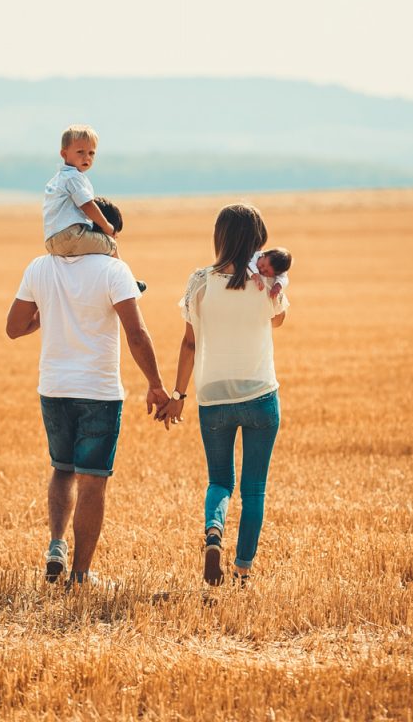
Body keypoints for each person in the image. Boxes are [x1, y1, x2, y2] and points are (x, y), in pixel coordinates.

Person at [6, 197, 169, 588]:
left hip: (54, 387)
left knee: (62, 470)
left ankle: (56, 546)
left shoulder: (39, 267)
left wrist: (51, 312)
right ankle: (80, 575)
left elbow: (14, 327)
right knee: (92, 481)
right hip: (98, 390)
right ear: (103, 230)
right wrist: (156, 385)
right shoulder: (115, 270)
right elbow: (137, 334)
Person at [157, 203, 288, 587]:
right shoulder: (265, 282)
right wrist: (271, 275)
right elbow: (279, 319)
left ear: (220, 238)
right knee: (254, 490)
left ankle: (214, 531)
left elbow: (188, 345)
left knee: (219, 482)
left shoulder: (199, 282)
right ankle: (243, 570)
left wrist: (178, 394)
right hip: (261, 393)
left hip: (213, 397)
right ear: (256, 240)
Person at [43, 124, 119, 258]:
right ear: (64, 154)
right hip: (71, 237)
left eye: (91, 153)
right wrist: (107, 226)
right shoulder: (73, 177)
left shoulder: (58, 179)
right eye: (80, 152)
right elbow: (87, 205)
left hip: (51, 241)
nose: (87, 157)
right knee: (111, 244)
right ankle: (127, 279)